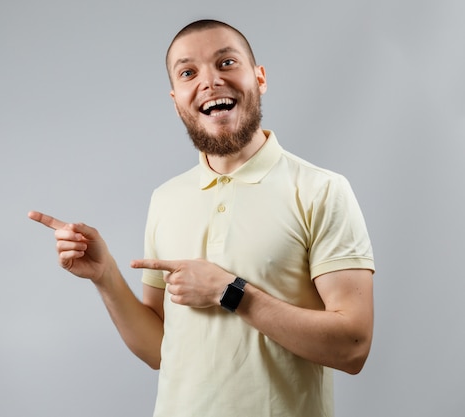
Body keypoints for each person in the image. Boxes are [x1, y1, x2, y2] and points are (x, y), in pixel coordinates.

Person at [29, 19, 374, 417]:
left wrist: (232, 293)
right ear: (176, 99)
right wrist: (105, 276)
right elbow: (159, 350)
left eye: (226, 63)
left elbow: (353, 347)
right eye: (189, 72)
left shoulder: (322, 190)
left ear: (259, 78)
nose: (209, 82)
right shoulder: (166, 199)